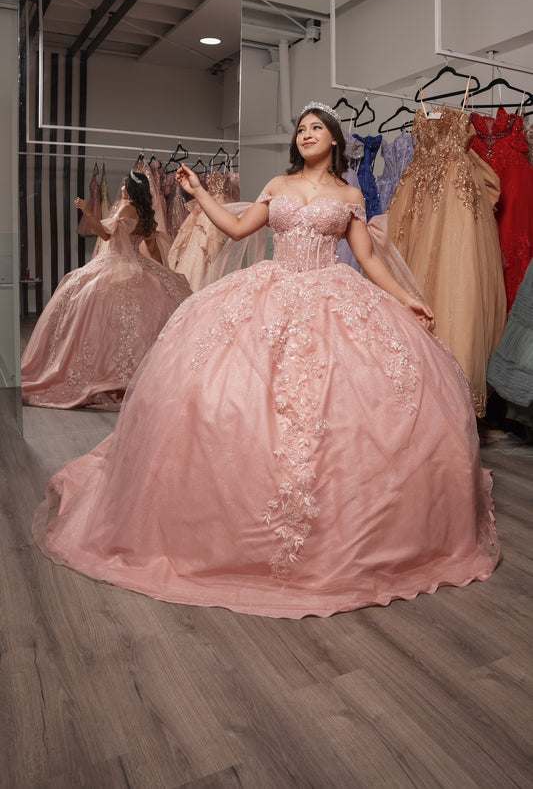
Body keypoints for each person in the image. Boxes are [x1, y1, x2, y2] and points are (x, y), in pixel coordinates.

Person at [32, 104, 500, 618]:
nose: (306, 134)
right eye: (300, 129)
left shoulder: (350, 196)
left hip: (331, 292)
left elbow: (368, 258)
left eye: (316, 128)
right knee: (229, 395)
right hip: (272, 289)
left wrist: (407, 298)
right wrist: (199, 193)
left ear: (335, 140)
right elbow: (237, 230)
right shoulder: (278, 185)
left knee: (353, 401)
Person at [22, 169, 191, 410]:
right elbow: (153, 249)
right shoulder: (145, 212)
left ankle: (98, 370)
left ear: (129, 188)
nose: (120, 188)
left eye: (123, 184)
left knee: (83, 300)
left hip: (115, 263)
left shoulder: (125, 208)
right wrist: (163, 274)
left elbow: (103, 235)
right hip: (138, 264)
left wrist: (87, 211)